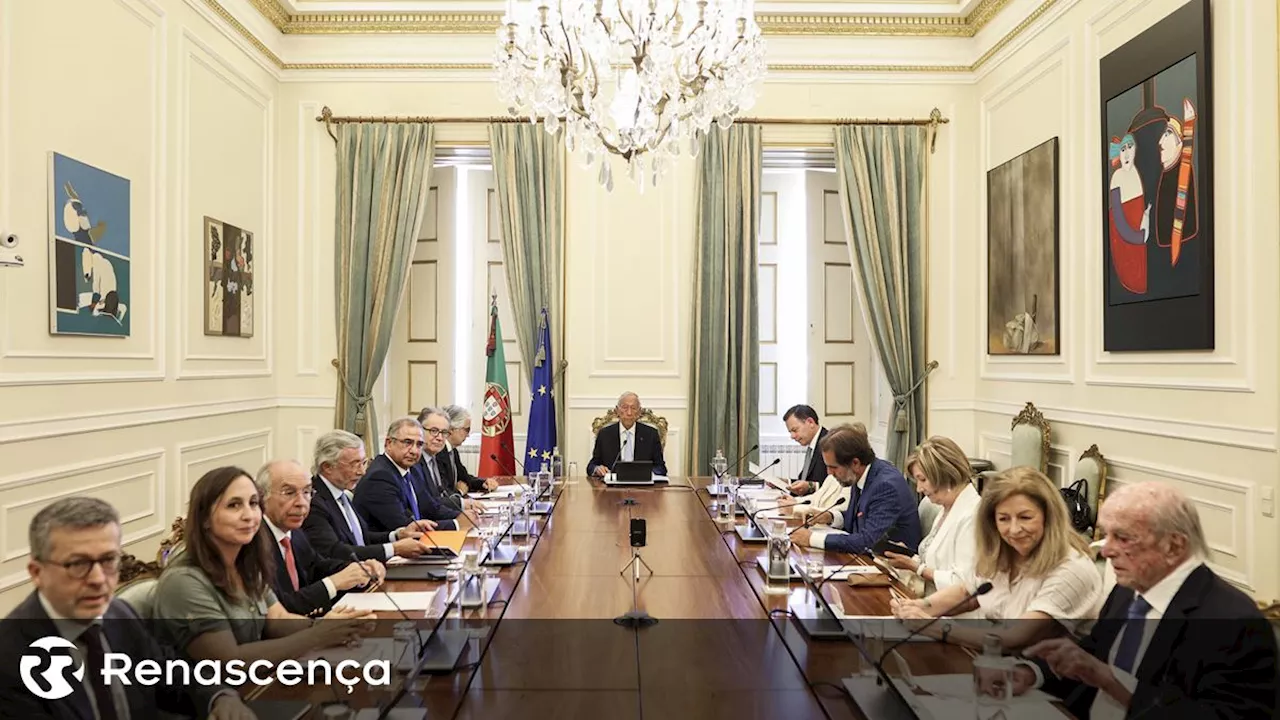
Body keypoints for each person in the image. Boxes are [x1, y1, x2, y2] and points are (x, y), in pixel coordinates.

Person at [1018, 482, 1277, 718]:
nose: (1106, 551)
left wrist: (1113, 682)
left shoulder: (1233, 622)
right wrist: (1031, 673)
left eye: (1123, 538)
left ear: (1174, 547)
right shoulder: (1127, 591)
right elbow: (1092, 657)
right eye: (1107, 535)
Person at [0, 497, 255, 719]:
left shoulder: (120, 614)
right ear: (37, 572)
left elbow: (173, 675)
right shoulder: (10, 660)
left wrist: (221, 698)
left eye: (109, 560)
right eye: (78, 563)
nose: (98, 578)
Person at [153, 467, 375, 664]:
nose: (249, 515)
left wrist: (335, 626)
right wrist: (318, 635)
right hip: (214, 703)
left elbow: (277, 619)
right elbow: (228, 660)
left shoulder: (245, 561)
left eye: (253, 503)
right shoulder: (183, 581)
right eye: (233, 505)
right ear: (204, 518)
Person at [892, 467, 1103, 652]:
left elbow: (1013, 638)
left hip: (1046, 685)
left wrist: (931, 626)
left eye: (1025, 517)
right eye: (1003, 519)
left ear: (1049, 516)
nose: (1014, 529)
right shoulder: (1005, 552)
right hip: (999, 668)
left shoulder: (1071, 568)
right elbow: (969, 592)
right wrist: (916, 608)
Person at [257, 460, 387, 616]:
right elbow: (280, 609)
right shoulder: (252, 543)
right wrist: (334, 583)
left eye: (306, 492)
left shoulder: (294, 532)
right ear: (262, 496)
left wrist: (358, 569)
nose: (301, 503)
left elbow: (317, 566)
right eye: (289, 493)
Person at [790, 423, 921, 556]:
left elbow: (868, 541)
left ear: (855, 463)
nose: (829, 473)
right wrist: (829, 517)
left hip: (894, 567)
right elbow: (861, 517)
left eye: (833, 467)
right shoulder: (860, 474)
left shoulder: (885, 486)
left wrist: (811, 539)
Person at [304, 429, 433, 563]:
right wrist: (393, 549)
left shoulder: (342, 494)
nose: (362, 471)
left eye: (364, 462)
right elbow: (335, 551)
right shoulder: (313, 502)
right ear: (327, 467)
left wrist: (397, 535)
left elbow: (360, 539)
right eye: (355, 464)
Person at [881, 436, 981, 595]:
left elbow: (963, 584)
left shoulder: (973, 516)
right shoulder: (945, 508)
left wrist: (915, 567)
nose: (919, 489)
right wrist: (910, 558)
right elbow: (937, 565)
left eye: (922, 480)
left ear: (944, 475)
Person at [352, 417, 457, 533]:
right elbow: (406, 527)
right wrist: (456, 524)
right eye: (408, 442)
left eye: (419, 445)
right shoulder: (379, 477)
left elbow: (431, 508)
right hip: (392, 547)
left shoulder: (412, 470)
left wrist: (462, 517)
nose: (414, 451)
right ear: (389, 443)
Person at [777, 418, 857, 518]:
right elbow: (817, 497)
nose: (829, 472)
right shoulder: (833, 467)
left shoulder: (852, 479)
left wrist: (795, 508)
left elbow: (837, 512)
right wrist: (794, 502)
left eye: (795, 430)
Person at [416, 408, 482, 517]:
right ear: (419, 431)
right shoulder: (415, 462)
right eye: (433, 431)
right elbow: (427, 504)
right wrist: (458, 516)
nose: (440, 438)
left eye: (444, 432)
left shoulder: (433, 457)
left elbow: (439, 497)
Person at [587, 392, 668, 478]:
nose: (629, 413)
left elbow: (661, 468)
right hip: (612, 488)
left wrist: (647, 474)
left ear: (639, 412)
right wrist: (597, 469)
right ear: (617, 410)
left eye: (633, 408)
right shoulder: (604, 434)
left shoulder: (651, 434)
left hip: (643, 487)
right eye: (625, 407)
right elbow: (592, 465)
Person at [441, 404, 500, 494]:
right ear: (451, 429)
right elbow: (443, 490)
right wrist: (459, 492)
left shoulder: (453, 451)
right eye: (467, 430)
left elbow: (464, 478)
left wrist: (483, 483)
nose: (468, 435)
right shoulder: (439, 453)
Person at [781, 404, 829, 496]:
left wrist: (811, 486)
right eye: (790, 432)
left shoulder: (829, 443)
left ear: (810, 422)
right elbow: (806, 481)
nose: (792, 436)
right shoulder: (812, 445)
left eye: (795, 430)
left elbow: (838, 486)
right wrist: (786, 482)